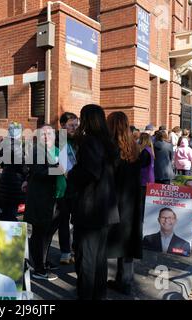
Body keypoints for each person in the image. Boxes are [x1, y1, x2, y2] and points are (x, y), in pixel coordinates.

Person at [68, 104, 120, 300]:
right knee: (99, 259)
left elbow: (90, 172)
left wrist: (71, 173)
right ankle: (99, 295)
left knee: (86, 259)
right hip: (105, 209)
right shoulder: (108, 142)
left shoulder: (90, 141)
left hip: (90, 209)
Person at [24, 124, 66, 281]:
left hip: (57, 198)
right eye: (43, 134)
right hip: (40, 200)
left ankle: (44, 260)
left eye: (49, 133)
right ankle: (39, 268)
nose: (47, 136)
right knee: (39, 233)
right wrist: (59, 169)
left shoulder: (58, 150)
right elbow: (40, 172)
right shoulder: (36, 151)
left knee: (48, 233)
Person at [106, 111, 142, 295]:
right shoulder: (134, 147)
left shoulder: (111, 148)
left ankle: (98, 282)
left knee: (103, 242)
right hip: (132, 200)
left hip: (113, 201)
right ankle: (125, 281)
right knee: (127, 243)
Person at [56, 112, 78, 264]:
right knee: (63, 220)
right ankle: (65, 251)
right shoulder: (57, 140)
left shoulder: (77, 140)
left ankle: (76, 249)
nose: (74, 128)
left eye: (76, 125)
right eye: (71, 125)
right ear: (62, 125)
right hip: (63, 185)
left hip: (76, 185)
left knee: (77, 220)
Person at [0, 122, 28, 222]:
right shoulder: (16, 147)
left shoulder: (4, 146)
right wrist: (27, 171)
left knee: (7, 212)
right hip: (14, 183)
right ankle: (12, 236)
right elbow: (22, 166)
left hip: (6, 181)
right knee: (11, 213)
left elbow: (1, 164)